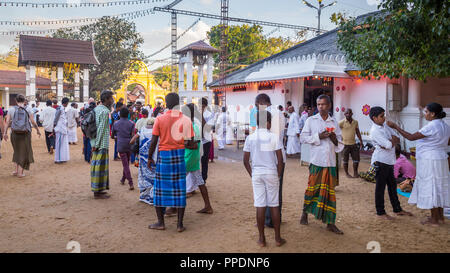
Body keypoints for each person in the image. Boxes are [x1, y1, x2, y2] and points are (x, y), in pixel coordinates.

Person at [387, 102, 449, 226]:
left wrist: (395, 126)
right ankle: (440, 217)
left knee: (431, 186)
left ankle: (434, 219)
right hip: (441, 158)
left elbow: (410, 137)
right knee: (439, 186)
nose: (424, 114)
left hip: (430, 160)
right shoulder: (445, 125)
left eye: (426, 112)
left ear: (432, 114)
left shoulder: (431, 126)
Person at [147, 92, 195, 232]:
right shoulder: (186, 119)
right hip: (179, 156)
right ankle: (179, 225)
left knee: (160, 189)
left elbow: (154, 141)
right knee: (180, 188)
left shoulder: (160, 119)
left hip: (164, 156)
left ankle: (161, 222)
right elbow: (190, 142)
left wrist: (150, 157)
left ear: (166, 104)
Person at [299, 95, 344, 234]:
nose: (320, 107)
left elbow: (339, 144)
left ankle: (330, 222)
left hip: (330, 162)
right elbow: (302, 137)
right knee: (312, 188)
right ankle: (305, 213)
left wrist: (333, 137)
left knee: (330, 193)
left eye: (323, 104)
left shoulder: (334, 122)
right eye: (318, 104)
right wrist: (319, 136)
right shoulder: (311, 120)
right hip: (316, 161)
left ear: (329, 105)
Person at [243, 110, 285, 247]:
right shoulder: (273, 137)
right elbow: (280, 160)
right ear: (268, 123)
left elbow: (245, 161)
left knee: (260, 205)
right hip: (271, 172)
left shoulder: (250, 138)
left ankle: (261, 239)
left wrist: (252, 174)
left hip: (257, 173)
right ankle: (278, 238)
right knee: (274, 205)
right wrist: (277, 175)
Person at [369, 106, 413, 220]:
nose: (384, 118)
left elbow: (396, 139)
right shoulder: (374, 131)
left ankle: (397, 209)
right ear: (374, 118)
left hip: (389, 160)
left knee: (392, 186)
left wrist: (389, 142)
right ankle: (380, 212)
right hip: (381, 161)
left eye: (384, 115)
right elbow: (389, 145)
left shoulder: (385, 126)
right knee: (380, 188)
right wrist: (389, 142)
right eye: (381, 116)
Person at [254, 93, 286, 228]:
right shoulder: (278, 113)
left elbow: (263, 136)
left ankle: (270, 220)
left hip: (270, 157)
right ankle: (272, 219)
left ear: (262, 102)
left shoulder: (267, 113)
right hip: (275, 156)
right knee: (274, 190)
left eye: (256, 105)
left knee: (268, 192)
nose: (256, 108)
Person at [183, 103, 214, 214]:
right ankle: (208, 206)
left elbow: (193, 145)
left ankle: (174, 207)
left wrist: (182, 144)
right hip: (194, 157)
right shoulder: (194, 125)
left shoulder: (191, 126)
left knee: (178, 180)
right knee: (200, 181)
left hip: (188, 157)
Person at [3, 94, 41, 177]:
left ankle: (16, 171)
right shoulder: (28, 109)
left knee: (16, 151)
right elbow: (33, 122)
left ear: (16, 101)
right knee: (24, 152)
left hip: (14, 133)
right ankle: (20, 173)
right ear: (24, 101)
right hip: (25, 133)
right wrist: (38, 130)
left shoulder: (11, 109)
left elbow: (7, 122)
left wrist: (5, 133)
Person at [90, 90, 115, 199]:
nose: (112, 100)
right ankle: (97, 192)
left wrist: (94, 143)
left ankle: (99, 189)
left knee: (96, 167)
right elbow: (100, 129)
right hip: (101, 143)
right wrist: (97, 144)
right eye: (111, 98)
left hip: (95, 142)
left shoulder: (97, 109)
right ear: (106, 99)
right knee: (100, 168)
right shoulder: (105, 112)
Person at [131, 117, 158, 205]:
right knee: (153, 176)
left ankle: (143, 196)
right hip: (152, 157)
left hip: (142, 158)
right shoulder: (155, 130)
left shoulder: (142, 129)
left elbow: (132, 140)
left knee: (144, 176)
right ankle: (151, 197)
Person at [112, 107, 135, 190]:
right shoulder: (131, 123)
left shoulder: (116, 123)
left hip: (121, 144)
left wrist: (117, 136)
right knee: (126, 163)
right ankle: (123, 179)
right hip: (129, 144)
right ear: (128, 114)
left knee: (125, 165)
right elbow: (132, 135)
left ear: (120, 114)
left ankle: (130, 182)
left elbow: (112, 135)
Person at [339, 108, 364, 179]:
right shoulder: (341, 122)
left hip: (353, 144)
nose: (348, 114)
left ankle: (355, 173)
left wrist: (361, 141)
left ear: (352, 114)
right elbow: (336, 130)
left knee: (356, 159)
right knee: (345, 160)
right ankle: (347, 174)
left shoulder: (355, 122)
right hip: (345, 144)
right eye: (347, 113)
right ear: (344, 114)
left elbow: (357, 132)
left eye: (350, 113)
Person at [201, 98, 215, 184]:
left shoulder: (209, 114)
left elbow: (208, 128)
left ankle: (204, 179)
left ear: (205, 106)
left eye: (201, 106)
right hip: (198, 140)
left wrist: (201, 116)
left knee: (204, 160)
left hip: (206, 140)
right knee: (197, 161)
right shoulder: (196, 114)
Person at [53, 98, 70, 164]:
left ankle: (62, 158)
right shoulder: (60, 109)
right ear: (66, 103)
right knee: (59, 144)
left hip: (62, 128)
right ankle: (58, 159)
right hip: (60, 129)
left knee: (63, 144)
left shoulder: (62, 108)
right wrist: (54, 126)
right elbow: (56, 118)